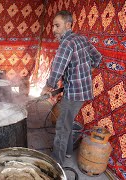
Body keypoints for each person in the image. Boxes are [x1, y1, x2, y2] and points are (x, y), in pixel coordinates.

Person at [41, 10, 102, 166]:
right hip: (83, 91)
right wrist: (85, 72)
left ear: (68, 25)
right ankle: (67, 152)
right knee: (67, 121)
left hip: (74, 93)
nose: (53, 30)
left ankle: (57, 163)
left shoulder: (66, 44)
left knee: (62, 127)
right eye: (53, 26)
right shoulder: (82, 39)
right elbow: (97, 58)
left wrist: (48, 87)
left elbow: (57, 69)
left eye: (57, 25)